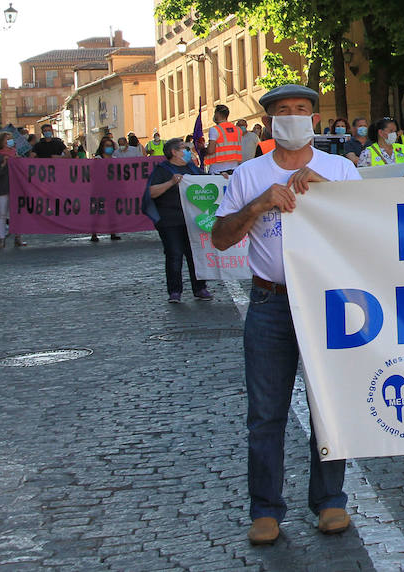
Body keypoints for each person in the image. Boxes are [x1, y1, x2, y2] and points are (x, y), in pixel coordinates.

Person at [211, 83, 362, 545]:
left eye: (301, 110)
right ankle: (265, 509)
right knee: (265, 411)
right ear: (272, 122)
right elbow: (220, 238)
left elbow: (364, 231)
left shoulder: (339, 168)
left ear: (314, 119)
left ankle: (330, 500)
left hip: (326, 301)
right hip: (269, 301)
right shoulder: (248, 174)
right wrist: (258, 205)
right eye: (283, 111)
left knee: (328, 406)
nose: (293, 117)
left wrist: (326, 191)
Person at [146, 139, 211, 303]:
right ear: (174, 152)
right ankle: (175, 291)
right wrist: (171, 182)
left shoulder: (191, 168)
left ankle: (200, 288)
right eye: (184, 148)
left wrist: (222, 178)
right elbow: (151, 192)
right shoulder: (162, 170)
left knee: (194, 253)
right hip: (170, 220)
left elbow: (208, 181)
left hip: (192, 219)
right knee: (174, 254)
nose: (188, 150)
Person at [0, 134, 20, 248]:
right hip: (2, 189)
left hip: (15, 188)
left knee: (16, 214)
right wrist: (3, 164)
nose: (10, 141)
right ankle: (2, 238)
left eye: (11, 139)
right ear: (2, 142)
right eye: (8, 140)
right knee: (2, 214)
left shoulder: (15, 154)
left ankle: (18, 237)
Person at [91, 139, 124, 243]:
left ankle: (113, 232)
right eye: (106, 145)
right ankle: (94, 234)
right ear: (102, 147)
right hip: (99, 189)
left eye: (110, 145)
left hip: (112, 189)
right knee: (98, 212)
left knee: (112, 212)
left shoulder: (115, 159)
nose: (109, 147)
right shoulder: (97, 159)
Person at [206, 104, 243, 175]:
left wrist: (203, 149)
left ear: (218, 114)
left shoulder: (215, 130)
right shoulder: (238, 130)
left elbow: (211, 150)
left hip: (217, 169)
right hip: (234, 168)